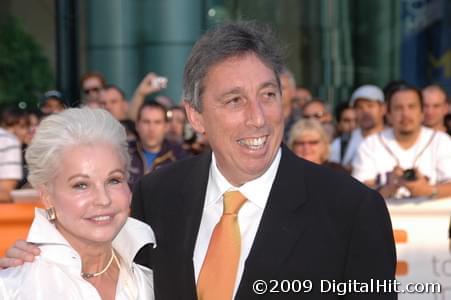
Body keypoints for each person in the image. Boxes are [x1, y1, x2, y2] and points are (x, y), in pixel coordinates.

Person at [2, 22, 395, 300]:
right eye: (234, 100)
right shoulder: (158, 194)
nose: (258, 117)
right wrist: (32, 263)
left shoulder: (352, 211)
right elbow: (102, 261)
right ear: (195, 116)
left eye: (268, 95)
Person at [0, 108, 155, 299]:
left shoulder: (154, 274)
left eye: (114, 180)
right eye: (81, 185)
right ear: (47, 196)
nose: (103, 199)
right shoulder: (15, 287)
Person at [352, 83, 451, 199]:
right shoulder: (370, 144)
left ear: (422, 112)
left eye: (412, 107)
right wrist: (389, 187)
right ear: (388, 113)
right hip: (386, 216)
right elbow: (358, 192)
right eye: (398, 108)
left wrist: (428, 190)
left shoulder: (441, 141)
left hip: (431, 216)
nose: (405, 114)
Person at [128, 101, 188, 188]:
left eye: (157, 122)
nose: (151, 129)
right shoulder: (124, 152)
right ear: (137, 125)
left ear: (166, 126)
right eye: (146, 122)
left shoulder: (180, 157)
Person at [330, 85, 386, 169]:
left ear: (382, 108)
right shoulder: (341, 144)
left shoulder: (396, 139)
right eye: (359, 107)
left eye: (370, 106)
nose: (365, 111)